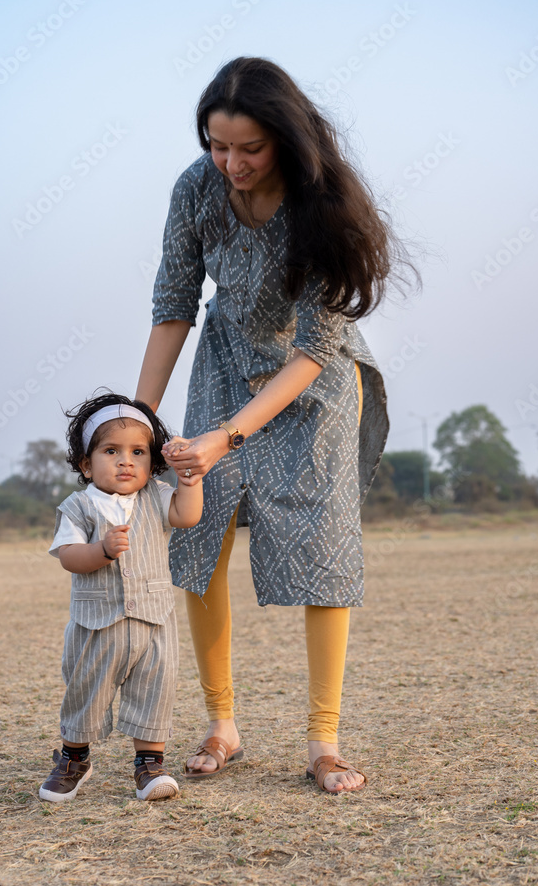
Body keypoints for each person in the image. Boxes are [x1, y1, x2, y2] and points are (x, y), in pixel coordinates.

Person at [136, 57, 406, 794]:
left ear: (286, 138)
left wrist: (228, 435)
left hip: (312, 381)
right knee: (198, 530)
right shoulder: (196, 189)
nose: (231, 164)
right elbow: (173, 304)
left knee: (323, 548)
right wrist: (138, 419)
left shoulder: (324, 206)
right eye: (218, 146)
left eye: (249, 148)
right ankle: (221, 723)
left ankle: (324, 741)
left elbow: (316, 349)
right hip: (224, 361)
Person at [39, 393, 203, 802]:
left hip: (154, 621)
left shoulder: (156, 496)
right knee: (86, 691)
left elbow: (187, 515)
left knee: (154, 689)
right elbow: (69, 557)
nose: (125, 461)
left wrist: (189, 480)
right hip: (98, 626)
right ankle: (74, 759)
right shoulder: (79, 507)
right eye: (111, 451)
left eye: (137, 452)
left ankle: (149, 766)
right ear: (86, 464)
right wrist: (102, 550)